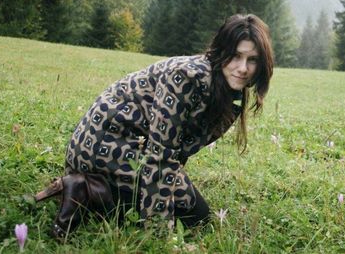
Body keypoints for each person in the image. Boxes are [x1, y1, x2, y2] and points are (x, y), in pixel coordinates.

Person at [35, 14, 274, 239]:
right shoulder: (187, 78)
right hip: (106, 143)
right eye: (236, 56)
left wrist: (172, 184)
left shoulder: (224, 87)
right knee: (194, 216)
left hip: (133, 146)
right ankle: (85, 189)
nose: (243, 67)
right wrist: (160, 234)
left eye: (252, 59)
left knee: (192, 212)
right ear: (222, 52)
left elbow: (178, 146)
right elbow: (160, 155)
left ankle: (97, 189)